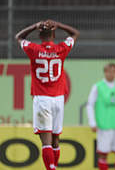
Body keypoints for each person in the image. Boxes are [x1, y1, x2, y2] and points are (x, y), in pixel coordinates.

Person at [15, 20, 79, 170]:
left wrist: (33, 26)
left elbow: (18, 37)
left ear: (39, 35)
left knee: (46, 142)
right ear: (54, 34)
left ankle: (50, 168)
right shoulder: (61, 48)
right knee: (56, 139)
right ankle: (53, 167)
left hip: (42, 98)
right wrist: (60, 24)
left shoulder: (33, 49)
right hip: (58, 99)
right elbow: (75, 33)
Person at [87, 63, 115, 170]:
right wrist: (92, 122)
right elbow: (90, 104)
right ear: (105, 72)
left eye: (114, 71)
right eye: (109, 71)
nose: (111, 74)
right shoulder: (97, 87)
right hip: (103, 126)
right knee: (103, 154)